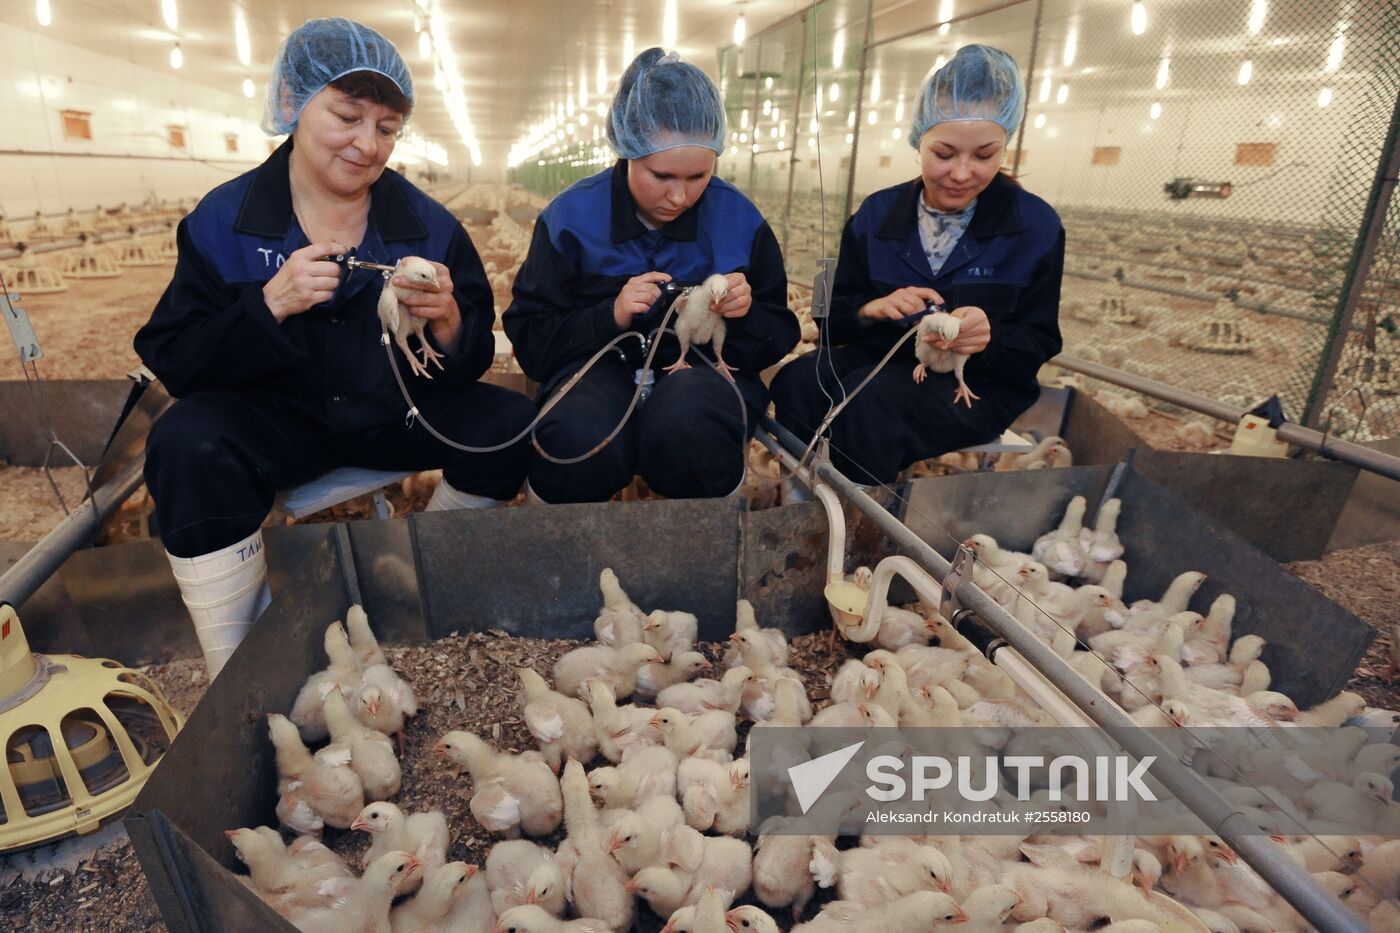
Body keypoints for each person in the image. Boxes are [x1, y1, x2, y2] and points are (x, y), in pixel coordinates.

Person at [134, 18, 535, 677]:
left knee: (509, 422)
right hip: (276, 422)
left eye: (385, 127)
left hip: (391, 416)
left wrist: (448, 324)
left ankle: (426, 564)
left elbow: (464, 364)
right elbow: (178, 355)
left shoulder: (429, 227)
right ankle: (235, 655)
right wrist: (269, 305)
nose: (366, 144)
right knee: (187, 443)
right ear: (292, 105)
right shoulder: (224, 221)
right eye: (347, 116)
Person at [503, 48, 799, 504]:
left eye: (698, 175)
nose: (679, 196)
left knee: (692, 431)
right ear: (626, 152)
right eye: (661, 175)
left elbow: (780, 332)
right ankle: (566, 560)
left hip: (701, 376)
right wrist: (610, 316)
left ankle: (700, 555)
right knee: (576, 441)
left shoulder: (739, 220)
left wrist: (746, 314)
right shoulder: (571, 218)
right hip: (596, 367)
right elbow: (534, 342)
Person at [771, 44, 1063, 486]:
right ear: (918, 140)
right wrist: (871, 309)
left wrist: (990, 337)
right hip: (881, 359)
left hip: (978, 386)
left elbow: (1041, 339)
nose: (962, 173)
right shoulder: (872, 213)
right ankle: (800, 499)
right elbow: (825, 310)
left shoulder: (1038, 227)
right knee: (796, 380)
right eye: (944, 154)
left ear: (1006, 144)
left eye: (984, 155)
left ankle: (864, 522)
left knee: (873, 401)